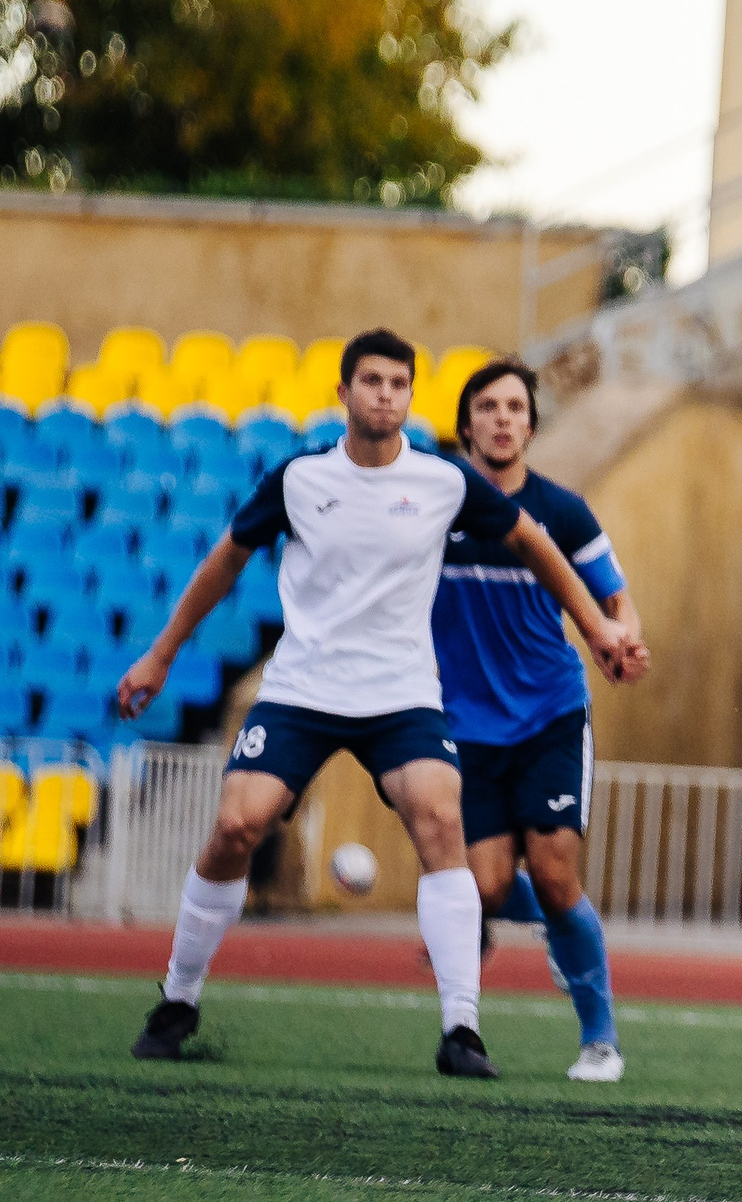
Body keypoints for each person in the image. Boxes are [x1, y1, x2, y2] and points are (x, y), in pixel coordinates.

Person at [117, 329, 641, 1079]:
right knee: (237, 823)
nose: (385, 395)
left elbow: (536, 544)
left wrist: (597, 629)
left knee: (440, 822)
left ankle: (462, 1029)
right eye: (372, 381)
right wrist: (161, 654)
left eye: (399, 383)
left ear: (410, 398)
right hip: (303, 691)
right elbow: (225, 559)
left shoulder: (444, 485)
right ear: (344, 393)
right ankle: (178, 996)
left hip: (402, 697)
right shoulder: (298, 479)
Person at [434, 357, 648, 1084]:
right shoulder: (435, 508)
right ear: (466, 423)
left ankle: (600, 1041)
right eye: (488, 406)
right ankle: (560, 922)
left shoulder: (562, 511)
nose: (502, 418)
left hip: (551, 714)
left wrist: (622, 638)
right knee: (487, 888)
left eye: (516, 408)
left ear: (531, 424)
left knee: (557, 877)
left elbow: (616, 600)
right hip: (465, 728)